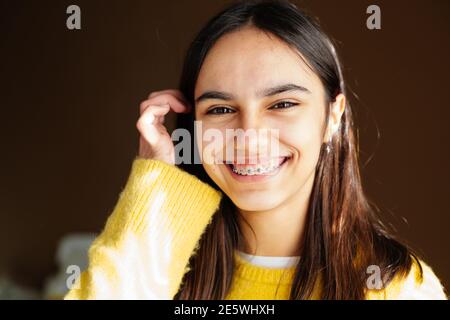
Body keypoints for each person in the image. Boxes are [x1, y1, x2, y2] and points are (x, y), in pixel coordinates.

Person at [65, 0, 447, 299]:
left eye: (282, 104)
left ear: (334, 116)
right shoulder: (159, 272)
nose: (248, 136)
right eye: (220, 109)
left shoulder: (396, 289)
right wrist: (154, 187)